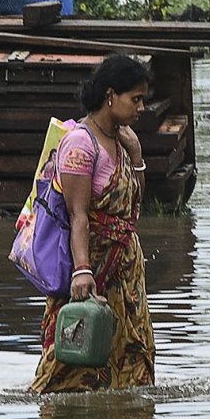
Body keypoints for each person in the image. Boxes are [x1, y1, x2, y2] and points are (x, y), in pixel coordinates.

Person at [30, 53, 155, 393]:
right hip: (94, 269)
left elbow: (134, 203)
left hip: (126, 273)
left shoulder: (121, 141)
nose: (141, 108)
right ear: (110, 96)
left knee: (132, 359)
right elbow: (78, 216)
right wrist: (82, 271)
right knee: (73, 363)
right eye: (136, 99)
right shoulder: (80, 145)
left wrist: (138, 156)